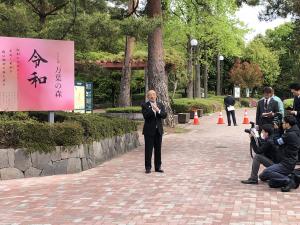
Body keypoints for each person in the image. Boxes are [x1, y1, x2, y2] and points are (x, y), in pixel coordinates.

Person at [259, 115, 300, 192]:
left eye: (283, 123)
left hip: (286, 163)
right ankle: (288, 177)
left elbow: (276, 141)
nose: (282, 124)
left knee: (267, 171)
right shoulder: (296, 130)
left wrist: (276, 130)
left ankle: (288, 180)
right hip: (290, 161)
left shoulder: (289, 135)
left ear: (288, 124)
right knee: (264, 178)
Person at [141, 90, 167, 174]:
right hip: (148, 131)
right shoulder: (145, 105)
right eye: (150, 95)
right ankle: (148, 167)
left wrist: (158, 110)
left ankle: (158, 167)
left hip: (158, 131)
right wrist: (152, 109)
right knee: (148, 150)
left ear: (156, 96)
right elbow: (146, 116)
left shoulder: (160, 104)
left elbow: (164, 115)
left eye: (154, 94)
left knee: (158, 149)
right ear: (148, 97)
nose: (152, 96)